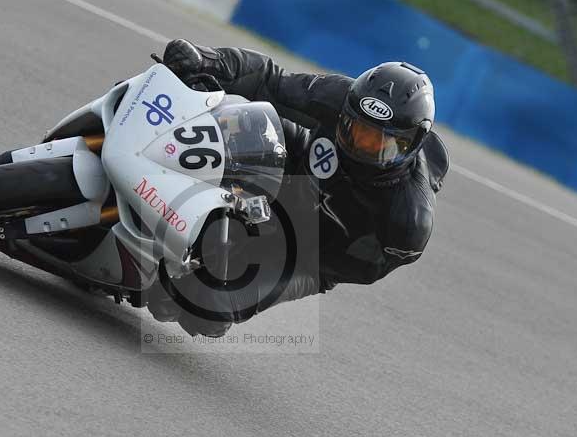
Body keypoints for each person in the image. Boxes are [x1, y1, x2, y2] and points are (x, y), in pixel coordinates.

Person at [148, 39, 449, 337]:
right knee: (238, 113)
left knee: (206, 307)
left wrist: (262, 241)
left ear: (412, 144)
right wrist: (208, 61)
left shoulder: (408, 221)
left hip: (313, 255)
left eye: (379, 144)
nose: (361, 147)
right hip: (299, 167)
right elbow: (270, 80)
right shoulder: (338, 97)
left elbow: (357, 269)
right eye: (356, 131)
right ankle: (150, 152)